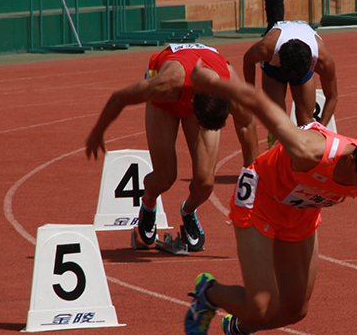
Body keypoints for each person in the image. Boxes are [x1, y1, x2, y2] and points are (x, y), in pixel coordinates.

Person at [181, 60, 357, 335]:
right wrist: (213, 83)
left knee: (295, 310)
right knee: (262, 305)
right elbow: (258, 102)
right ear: (353, 162)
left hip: (300, 212)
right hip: (261, 200)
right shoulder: (308, 151)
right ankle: (208, 293)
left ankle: (237, 331)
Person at [85, 43, 258, 252]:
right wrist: (98, 131)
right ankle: (148, 202)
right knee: (165, 178)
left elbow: (248, 132)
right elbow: (120, 97)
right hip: (167, 98)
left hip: (198, 90)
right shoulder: (164, 85)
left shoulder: (233, 89)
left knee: (205, 183)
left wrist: (248, 199)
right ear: (193, 101)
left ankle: (188, 211)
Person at [242, 21, 337, 139]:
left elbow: (332, 97)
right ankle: (277, 146)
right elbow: (248, 59)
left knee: (306, 122)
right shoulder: (266, 48)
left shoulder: (323, 61)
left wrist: (319, 129)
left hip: (301, 67)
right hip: (274, 70)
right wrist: (250, 91)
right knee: (278, 121)